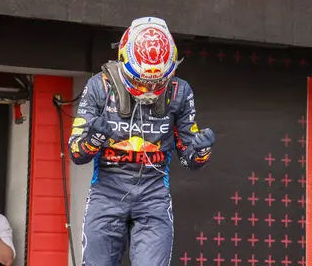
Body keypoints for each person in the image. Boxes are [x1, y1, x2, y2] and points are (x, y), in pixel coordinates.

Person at [68, 16, 217, 265]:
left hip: (154, 194)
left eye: (156, 82)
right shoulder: (99, 86)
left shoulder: (180, 91)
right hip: (107, 191)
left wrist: (201, 150)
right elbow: (76, 153)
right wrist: (94, 139)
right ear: (124, 61)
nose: (148, 89)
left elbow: (190, 160)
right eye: (141, 81)